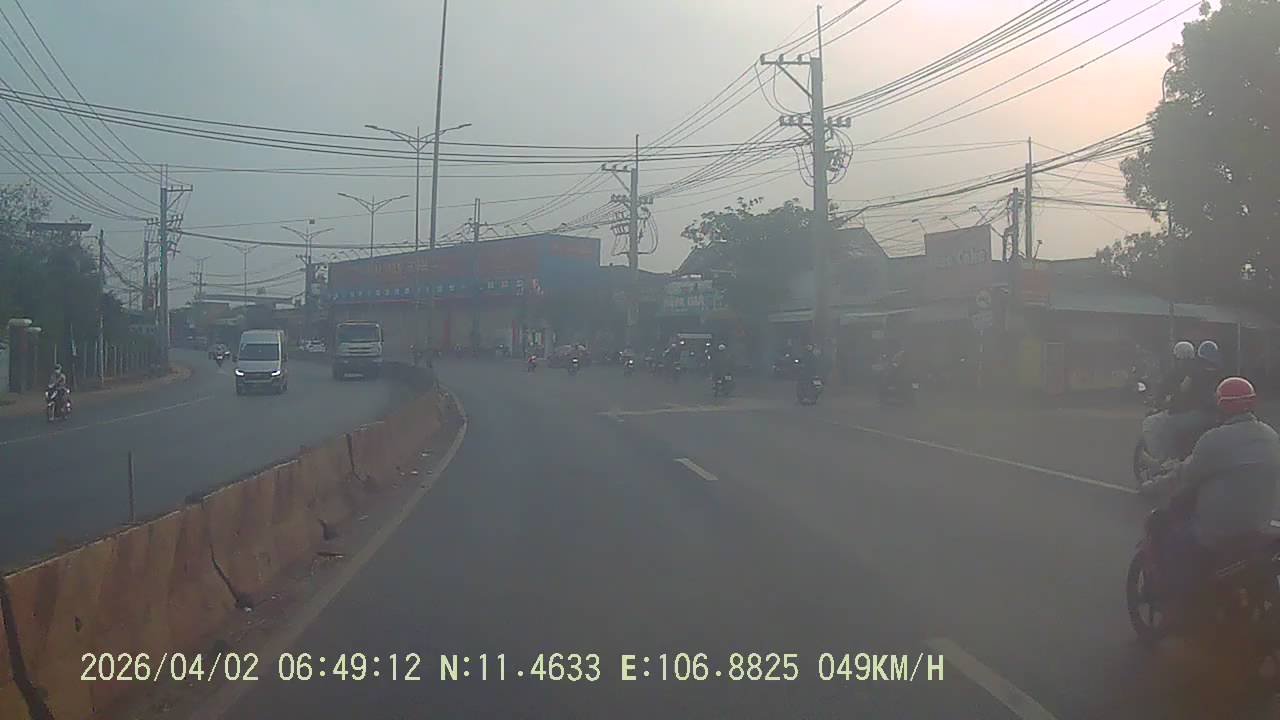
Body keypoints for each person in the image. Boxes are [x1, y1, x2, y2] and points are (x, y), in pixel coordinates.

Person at [1144, 377, 1280, 618]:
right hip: (1262, 526)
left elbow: (1185, 476)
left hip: (1219, 531)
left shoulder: (1213, 439)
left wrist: (1151, 486)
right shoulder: (1271, 436)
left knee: (1173, 538)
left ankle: (1178, 608)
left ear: (1221, 406)